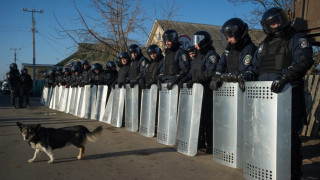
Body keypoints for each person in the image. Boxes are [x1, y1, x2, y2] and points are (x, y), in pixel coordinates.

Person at [251, 7, 314, 179]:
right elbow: (254, 67)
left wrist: (286, 78)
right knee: (265, 136)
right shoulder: (264, 45)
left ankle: (293, 174)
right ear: (267, 26)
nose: (277, 24)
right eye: (272, 23)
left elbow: (304, 60)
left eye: (279, 20)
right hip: (265, 99)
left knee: (288, 140)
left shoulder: (296, 38)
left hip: (288, 96)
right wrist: (248, 75)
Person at [178, 31, 220, 153]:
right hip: (197, 92)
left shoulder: (211, 55)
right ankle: (199, 141)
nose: (195, 46)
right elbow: (191, 72)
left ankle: (210, 144)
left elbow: (210, 72)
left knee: (208, 118)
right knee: (198, 117)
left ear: (204, 42)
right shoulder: (198, 57)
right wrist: (184, 80)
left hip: (207, 91)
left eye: (197, 43)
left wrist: (195, 80)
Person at [209, 18, 257, 91]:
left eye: (230, 37)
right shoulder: (229, 48)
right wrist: (217, 76)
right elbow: (221, 64)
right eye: (227, 38)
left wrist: (226, 77)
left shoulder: (248, 48)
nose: (229, 40)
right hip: (229, 87)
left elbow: (244, 69)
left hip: (241, 88)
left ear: (238, 34)